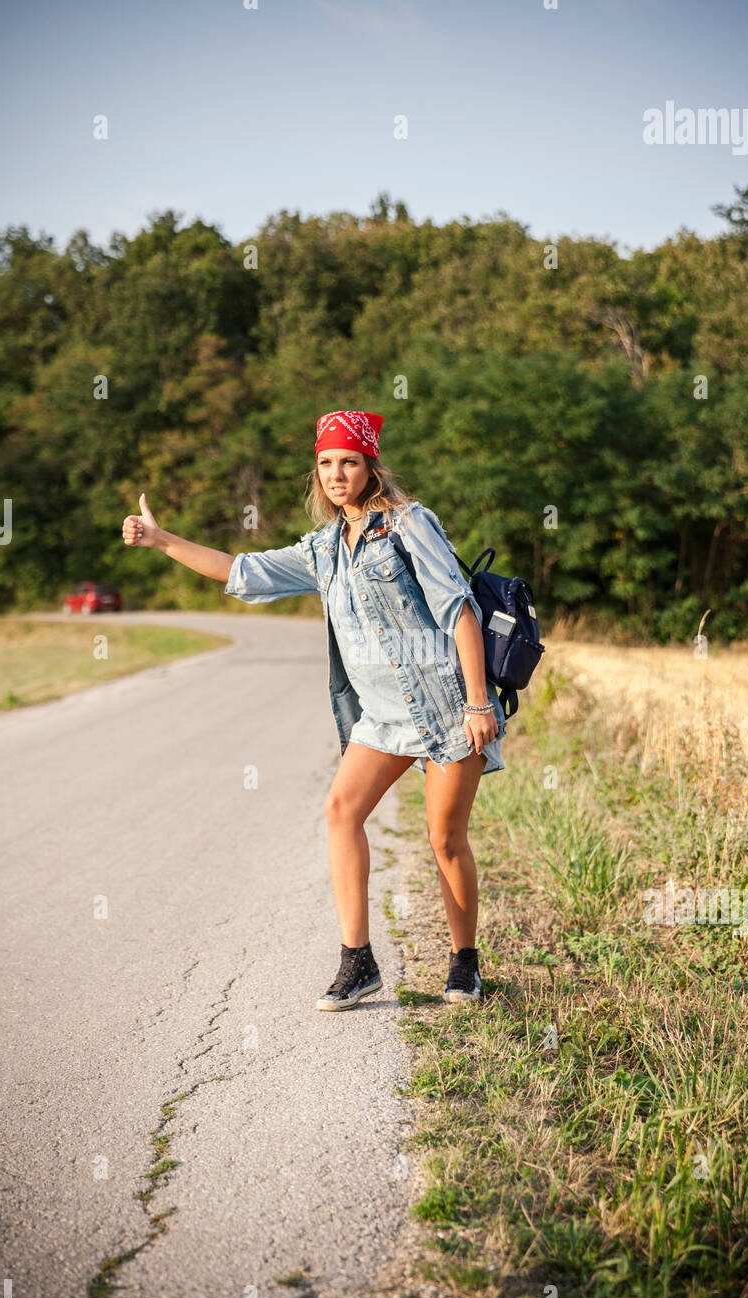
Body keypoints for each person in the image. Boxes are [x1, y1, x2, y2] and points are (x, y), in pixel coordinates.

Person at [122, 409, 507, 1012]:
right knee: (340, 810)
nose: (336, 473)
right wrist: (162, 540)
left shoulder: (409, 524)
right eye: (326, 463)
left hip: (444, 706)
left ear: (371, 466)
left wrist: (478, 702)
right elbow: (242, 572)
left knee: (445, 837)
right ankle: (359, 960)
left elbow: (459, 608)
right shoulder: (323, 549)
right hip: (379, 719)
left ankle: (464, 965)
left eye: (348, 461)